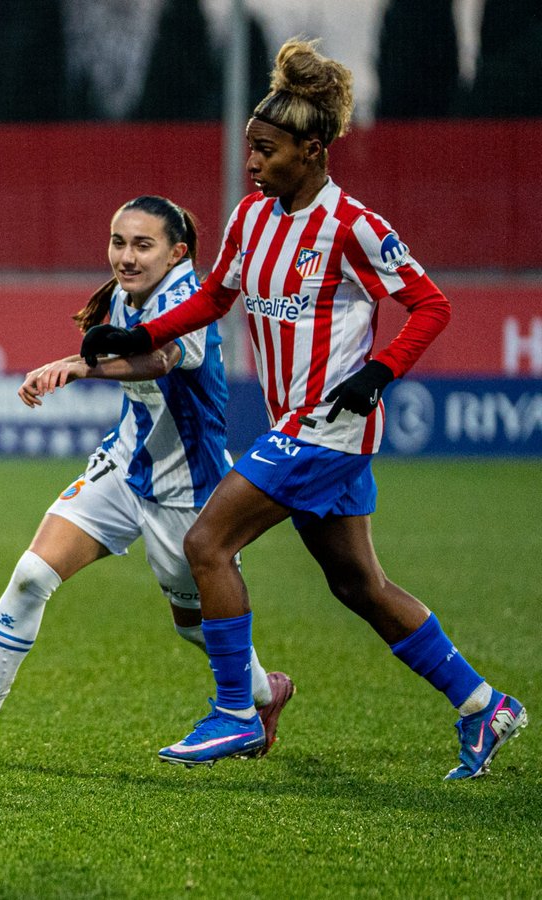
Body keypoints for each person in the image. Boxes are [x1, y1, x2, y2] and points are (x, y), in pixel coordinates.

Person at [81, 38, 526, 778]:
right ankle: (485, 706)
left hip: (329, 426)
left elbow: (430, 304)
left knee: (207, 543)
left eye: (266, 150)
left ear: (312, 150)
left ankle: (235, 714)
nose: (252, 163)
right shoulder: (252, 218)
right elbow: (215, 299)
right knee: (359, 585)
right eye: (251, 149)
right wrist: (135, 331)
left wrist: (378, 372)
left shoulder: (353, 224)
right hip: (296, 425)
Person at [0, 196, 292, 760]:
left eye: (143, 245)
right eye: (119, 242)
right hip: (122, 466)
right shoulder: (124, 292)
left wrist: (81, 366)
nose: (126, 256)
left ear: (177, 252)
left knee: (195, 628)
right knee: (31, 574)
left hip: (187, 487)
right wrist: (81, 358)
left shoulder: (187, 297)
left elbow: (160, 360)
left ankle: (266, 693)